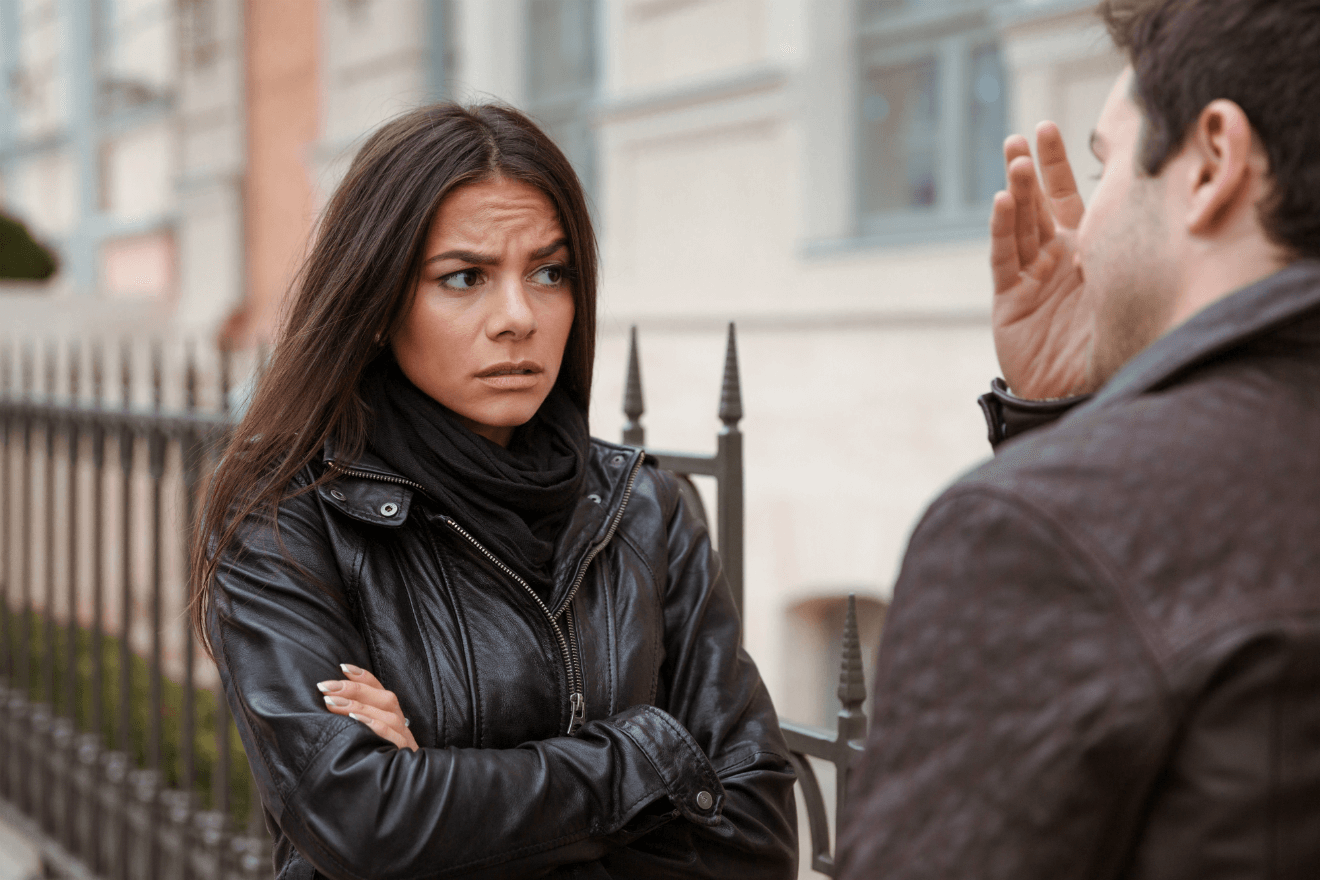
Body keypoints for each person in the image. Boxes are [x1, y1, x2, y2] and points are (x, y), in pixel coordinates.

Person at [190, 104, 797, 879]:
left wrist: (441, 784)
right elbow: (362, 819)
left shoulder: (645, 509)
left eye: (549, 273)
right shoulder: (288, 524)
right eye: (464, 277)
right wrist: (652, 756)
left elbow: (758, 835)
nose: (518, 318)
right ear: (377, 305)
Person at [839, 0, 1320, 876]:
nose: (1081, 231)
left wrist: (1059, 483)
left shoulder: (1027, 533)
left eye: (1106, 173)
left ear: (1213, 161)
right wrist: (1072, 412)